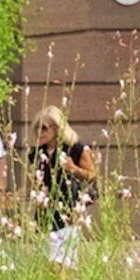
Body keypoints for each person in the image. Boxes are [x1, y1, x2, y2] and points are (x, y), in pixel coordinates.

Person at [29, 107, 97, 261]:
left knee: (63, 259)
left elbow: (92, 175)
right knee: (48, 258)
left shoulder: (75, 149)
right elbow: (34, 181)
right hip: (45, 211)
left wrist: (73, 169)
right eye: (37, 128)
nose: (40, 132)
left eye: (44, 128)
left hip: (68, 208)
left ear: (57, 128)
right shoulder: (36, 154)